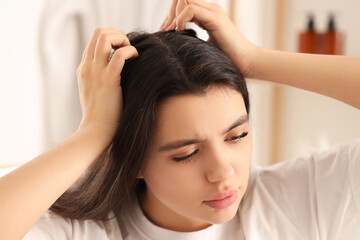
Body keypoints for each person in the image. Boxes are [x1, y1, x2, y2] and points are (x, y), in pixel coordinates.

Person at [0, 0, 359, 239]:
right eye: (186, 153)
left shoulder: (300, 199)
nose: (223, 171)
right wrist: (94, 133)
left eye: (237, 135)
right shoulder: (84, 231)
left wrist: (254, 60)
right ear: (134, 158)